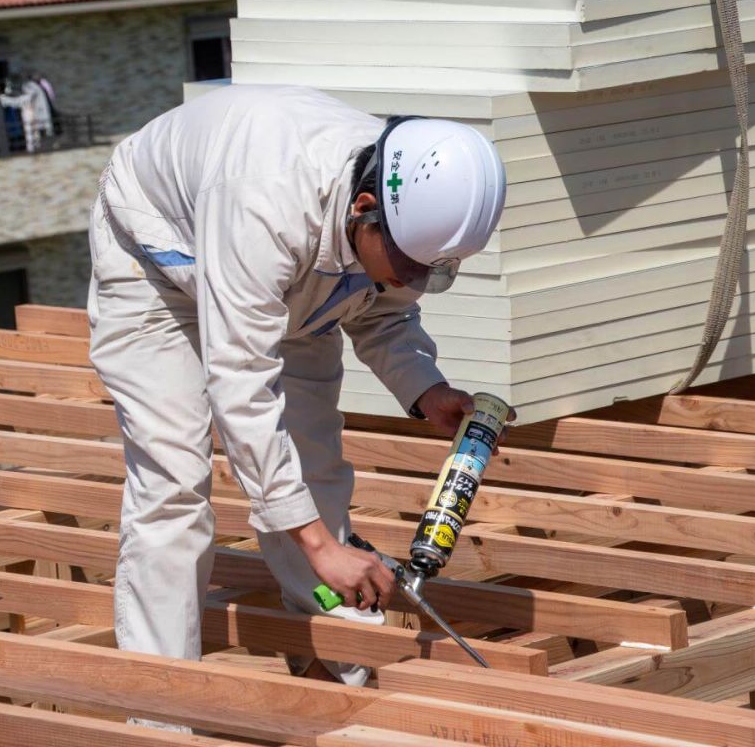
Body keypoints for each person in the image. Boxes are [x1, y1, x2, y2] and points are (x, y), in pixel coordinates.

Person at [87, 84, 507, 717]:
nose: (415, 281)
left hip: (284, 275)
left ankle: (335, 655)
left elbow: (384, 311)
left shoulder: (397, 220)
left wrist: (426, 388)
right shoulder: (265, 199)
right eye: (410, 265)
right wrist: (320, 546)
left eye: (433, 271)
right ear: (364, 207)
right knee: (173, 482)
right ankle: (161, 707)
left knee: (314, 471)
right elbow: (240, 384)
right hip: (159, 257)